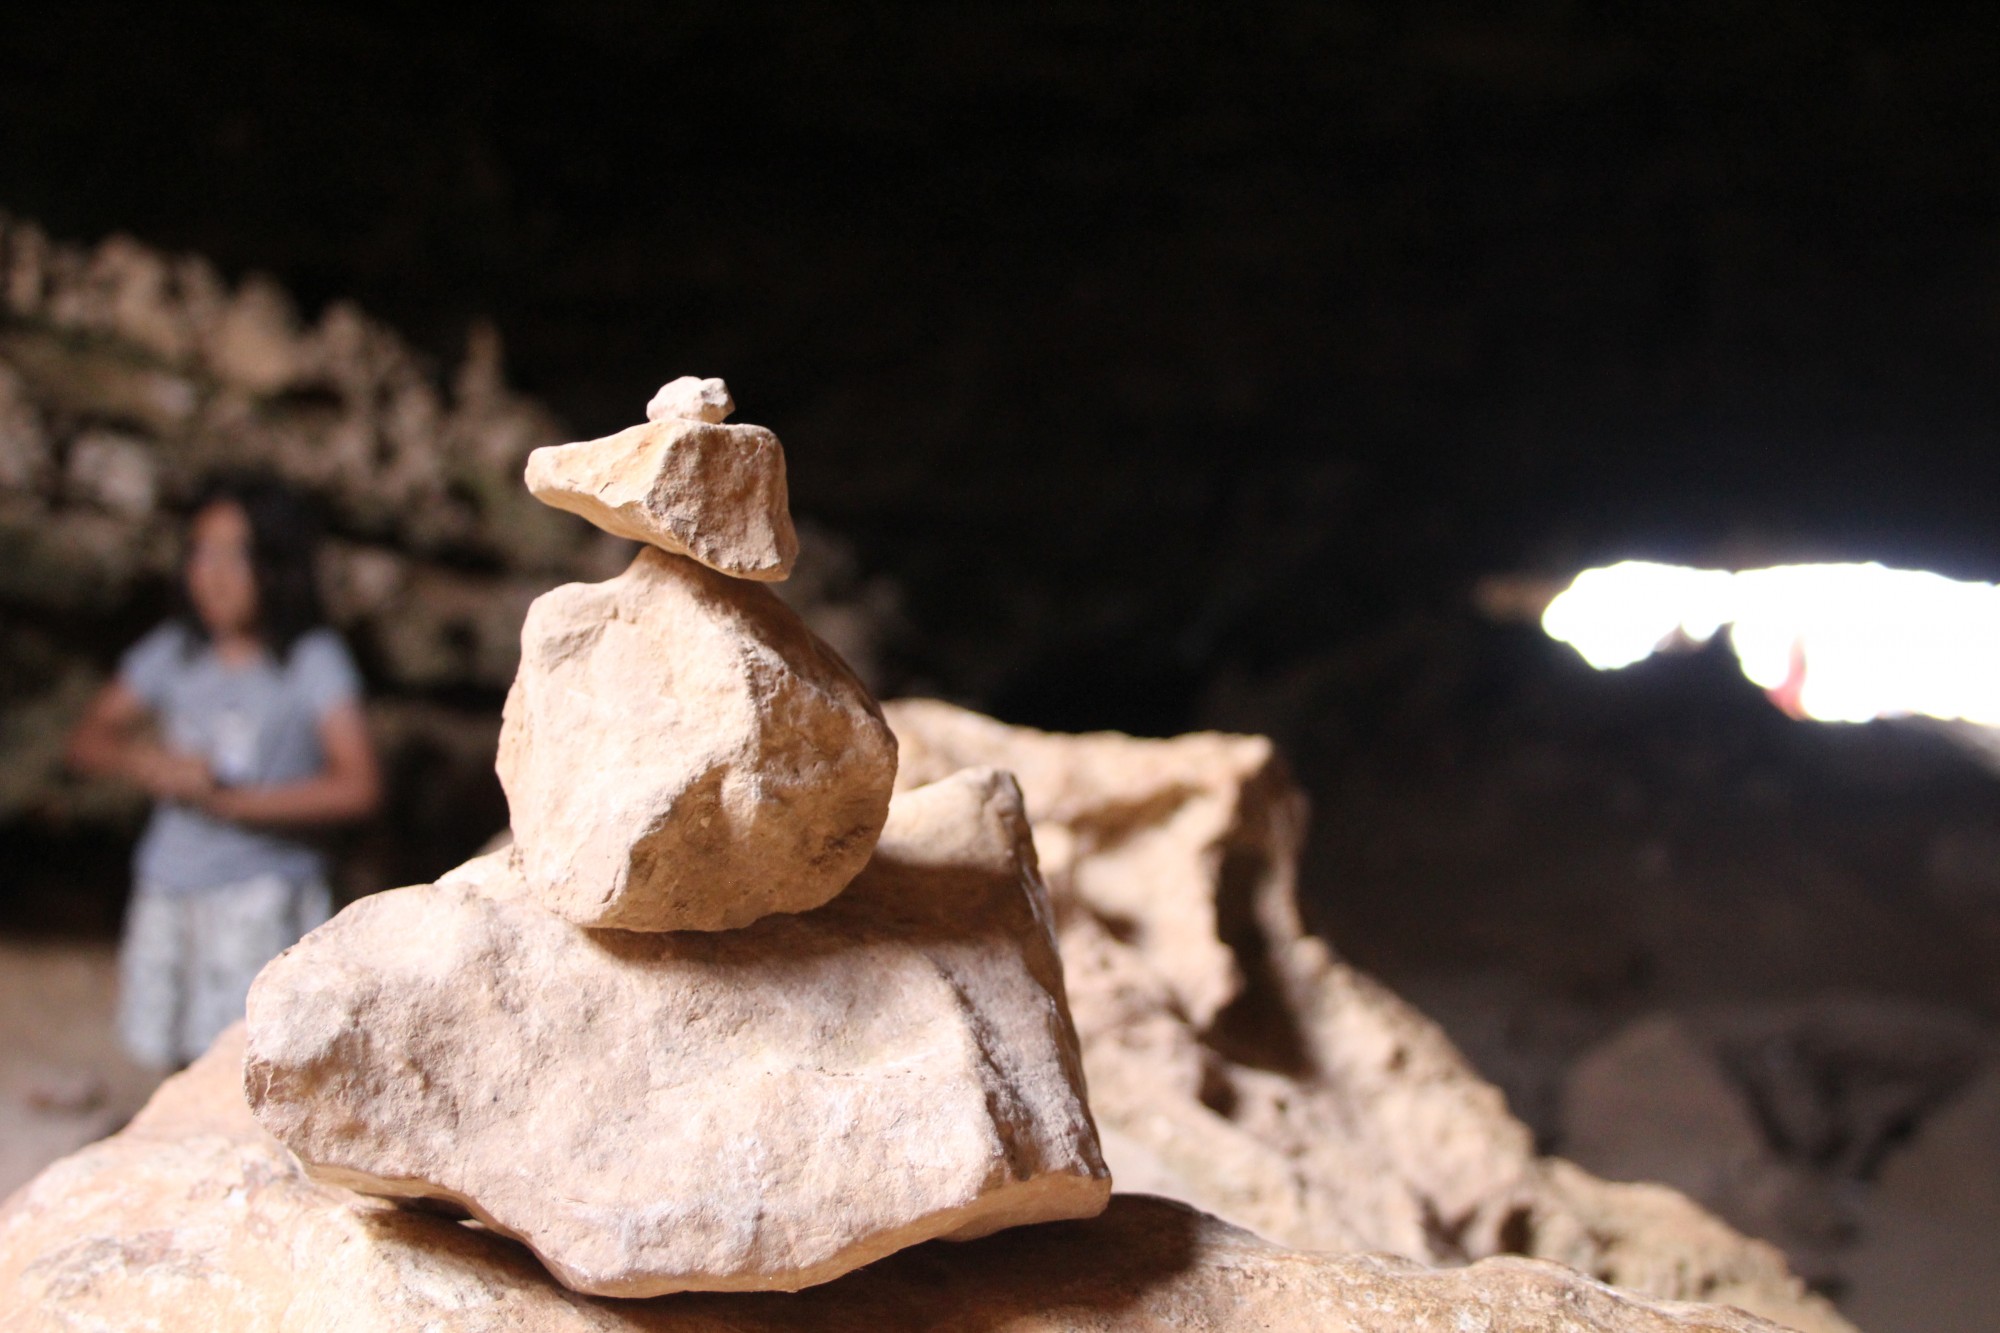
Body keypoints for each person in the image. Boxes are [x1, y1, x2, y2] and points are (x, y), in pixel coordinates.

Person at [66, 474, 380, 1069]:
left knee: (253, 1064)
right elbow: (87, 738)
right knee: (164, 1056)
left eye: (236, 556)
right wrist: (149, 762)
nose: (214, 574)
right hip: (170, 887)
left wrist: (233, 804)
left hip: (261, 893)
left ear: (276, 565)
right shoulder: (174, 651)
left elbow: (358, 785)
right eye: (201, 553)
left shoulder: (312, 662)